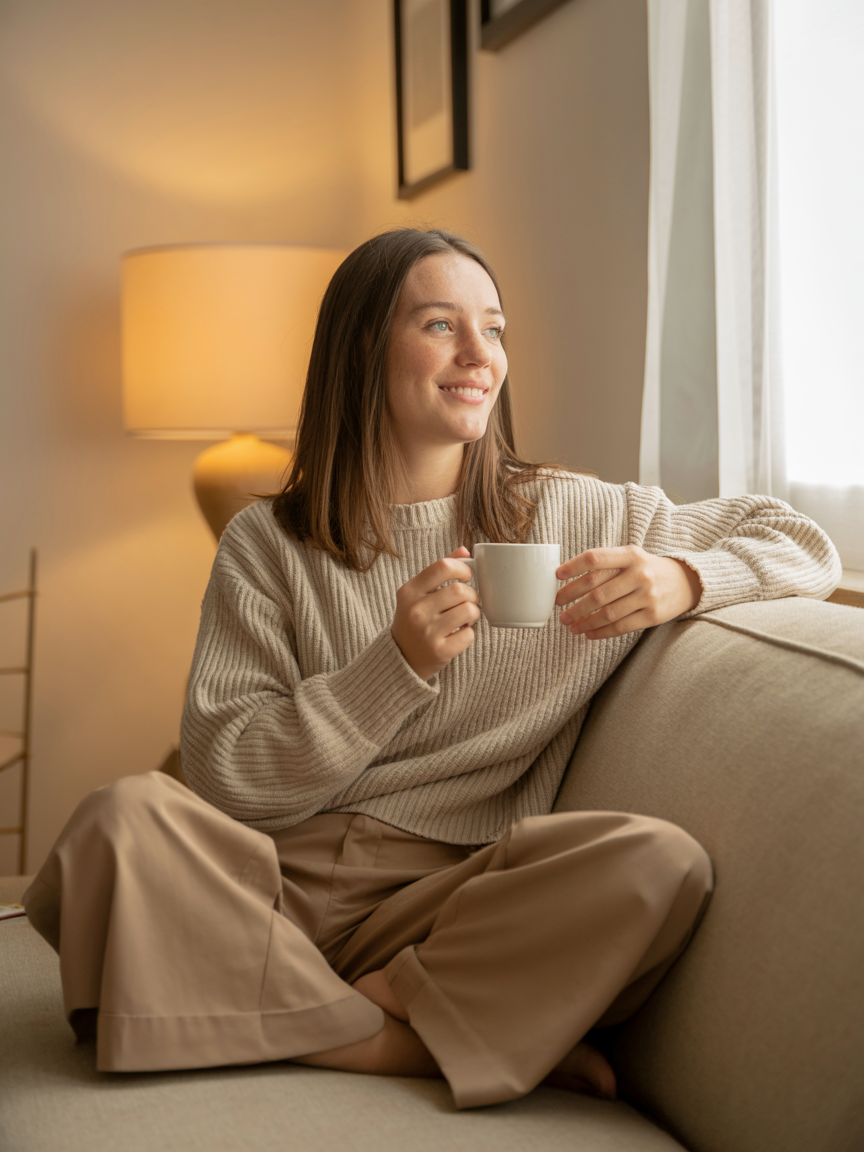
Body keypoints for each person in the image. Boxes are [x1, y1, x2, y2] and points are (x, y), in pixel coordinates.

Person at [24, 227, 841, 1110]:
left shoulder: (570, 510)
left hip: (447, 900)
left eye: (493, 329)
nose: (478, 355)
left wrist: (683, 577)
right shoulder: (266, 543)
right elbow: (227, 776)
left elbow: (802, 540)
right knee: (121, 820)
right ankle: (388, 1037)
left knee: (657, 861)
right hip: (273, 882)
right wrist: (393, 666)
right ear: (363, 348)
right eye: (442, 325)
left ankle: (253, 1007)